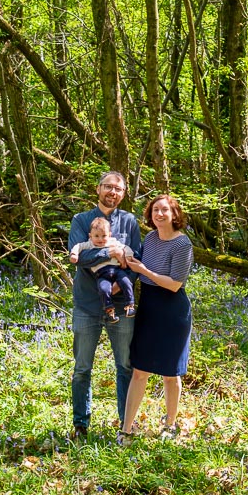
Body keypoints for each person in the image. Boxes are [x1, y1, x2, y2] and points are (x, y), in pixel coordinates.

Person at [67, 171, 142, 438]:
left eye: (118, 189)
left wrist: (120, 285)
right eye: (108, 187)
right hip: (87, 304)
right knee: (82, 368)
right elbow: (78, 257)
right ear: (98, 189)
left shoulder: (130, 221)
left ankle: (126, 425)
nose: (112, 192)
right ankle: (80, 425)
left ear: (123, 194)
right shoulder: (81, 220)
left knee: (125, 367)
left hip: (122, 307)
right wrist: (110, 252)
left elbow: (135, 261)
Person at [118, 193, 195, 444]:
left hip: (173, 310)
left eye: (164, 210)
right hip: (149, 306)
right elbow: (137, 267)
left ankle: (170, 425)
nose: (159, 214)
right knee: (140, 371)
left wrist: (143, 270)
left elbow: (174, 284)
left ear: (175, 215)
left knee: (171, 374)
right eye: (155, 211)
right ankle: (126, 429)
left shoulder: (182, 244)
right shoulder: (150, 238)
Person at [70, 216, 138, 322]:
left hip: (117, 270)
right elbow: (78, 246)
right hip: (102, 274)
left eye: (104, 236)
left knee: (126, 282)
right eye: (96, 236)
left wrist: (128, 257)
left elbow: (126, 248)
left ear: (109, 235)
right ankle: (110, 311)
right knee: (103, 289)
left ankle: (130, 306)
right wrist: (74, 254)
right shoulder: (90, 244)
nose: (100, 239)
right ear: (90, 236)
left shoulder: (113, 242)